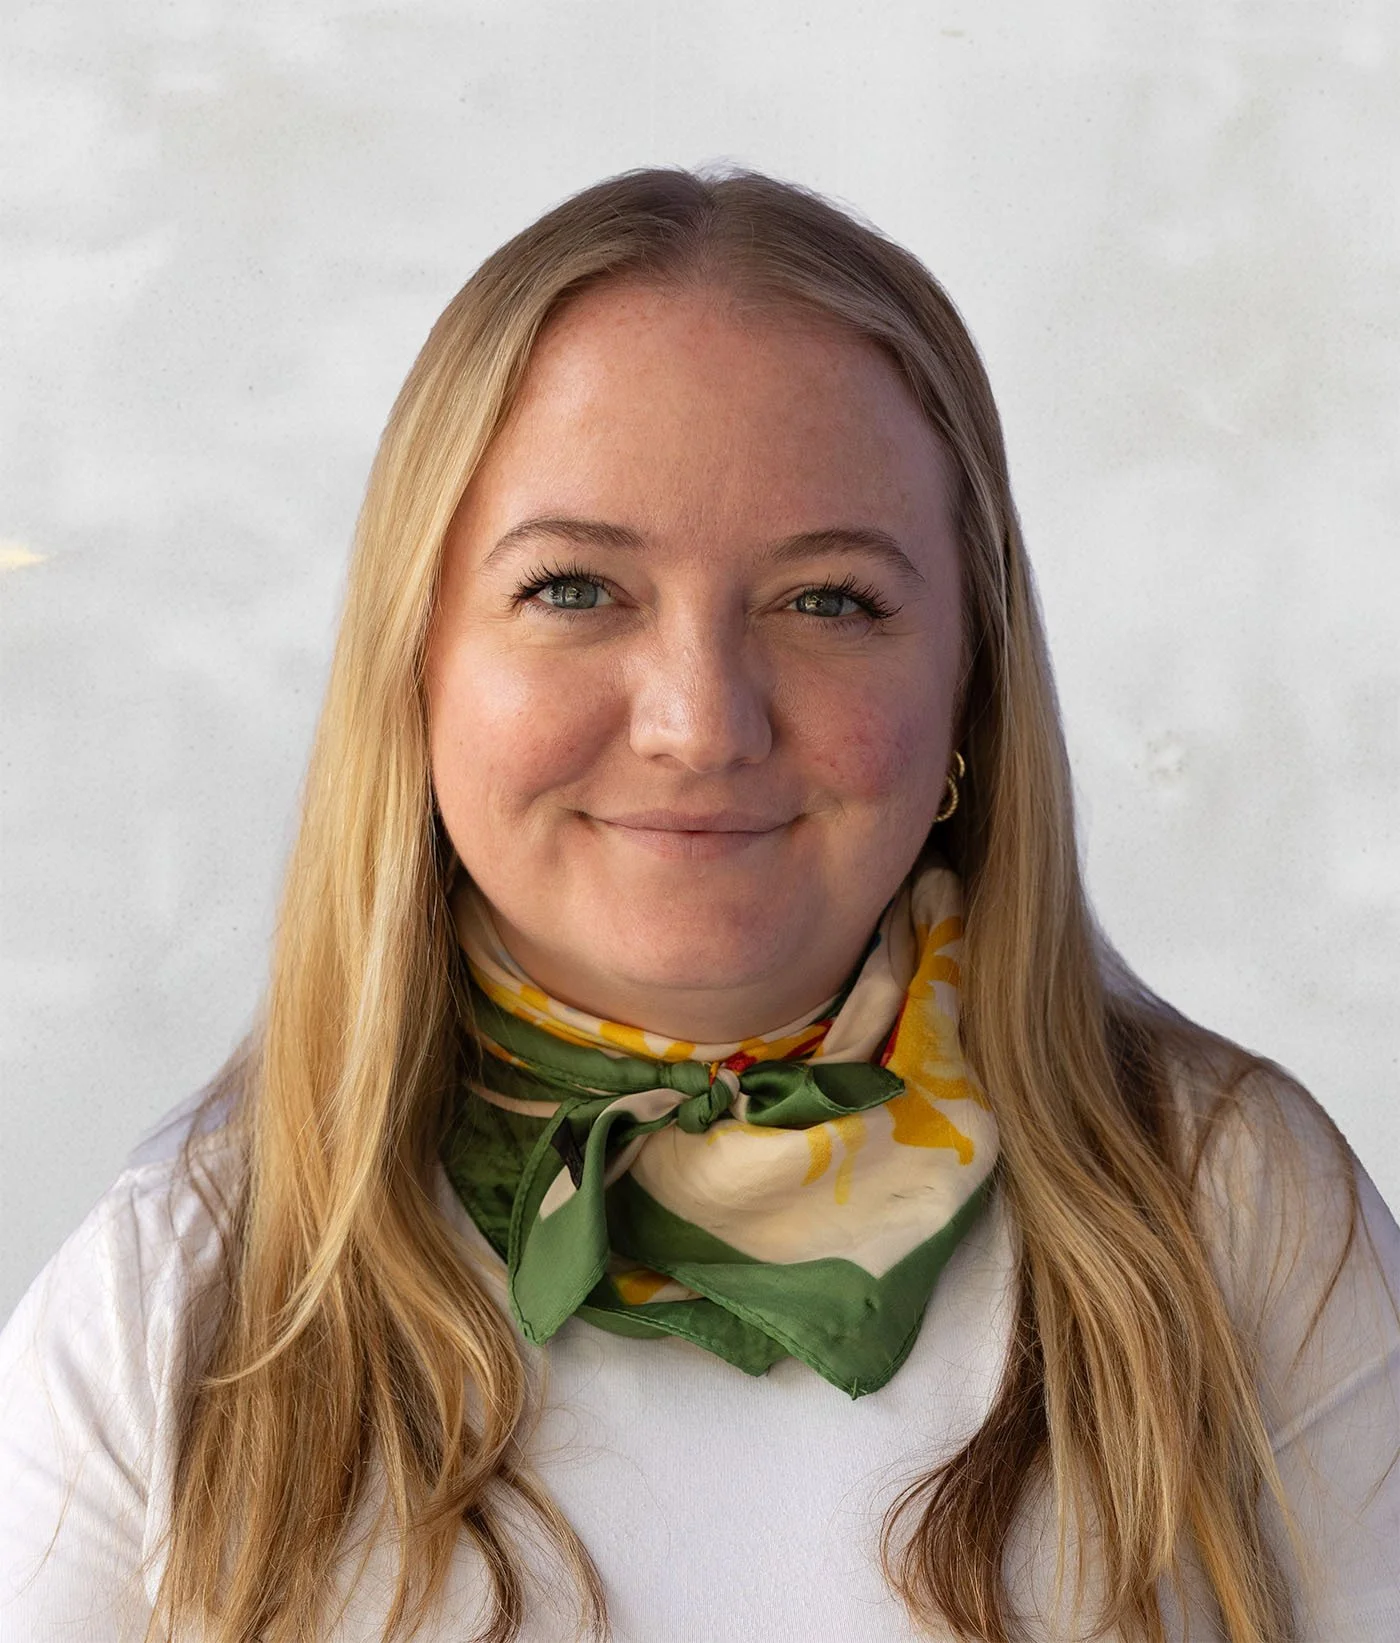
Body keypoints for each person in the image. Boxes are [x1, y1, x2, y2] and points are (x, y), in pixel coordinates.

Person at [1, 164, 1396, 1643]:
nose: (698, 721)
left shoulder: (1226, 1216)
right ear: (416, 670)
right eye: (576, 589)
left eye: (829, 601)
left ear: (968, 682)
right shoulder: (185, 1290)